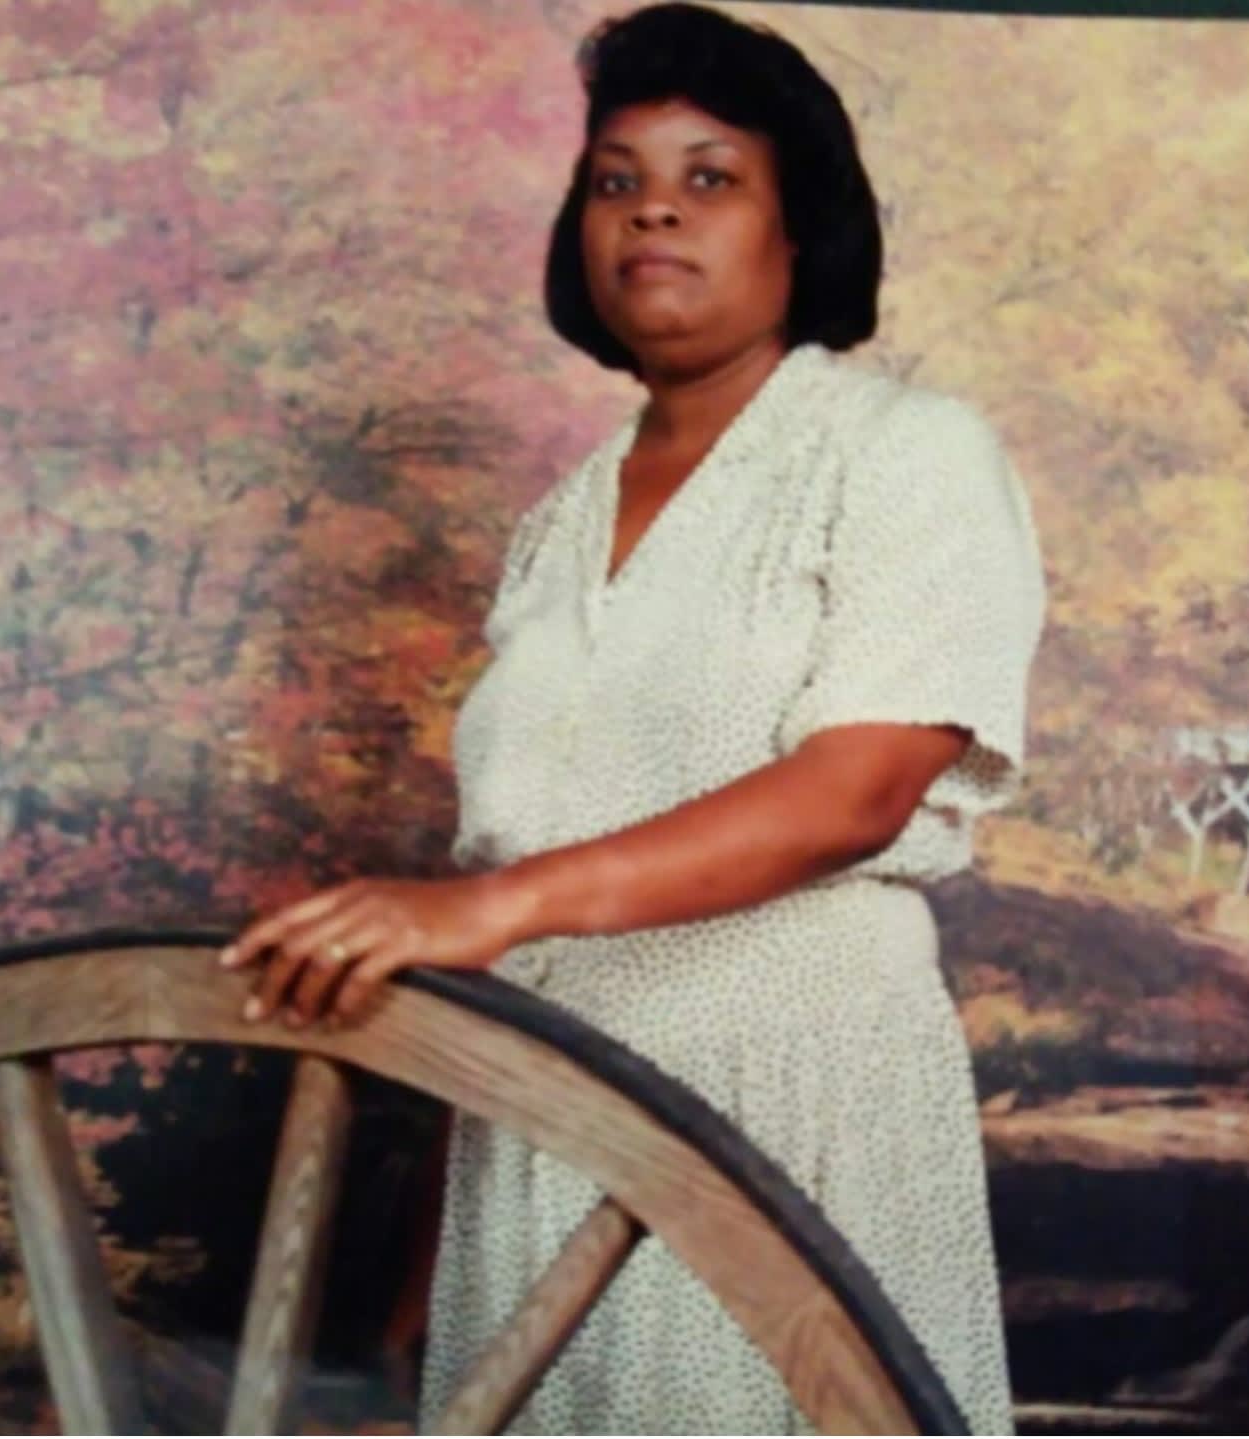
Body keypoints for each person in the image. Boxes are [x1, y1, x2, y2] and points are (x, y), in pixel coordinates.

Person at [219, 3, 1045, 1432]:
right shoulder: (556, 523)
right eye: (615, 178)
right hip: (536, 1103)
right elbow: (496, 900)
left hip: (782, 1094)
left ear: (803, 231)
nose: (652, 203)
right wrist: (419, 1292)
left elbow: (856, 789)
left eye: (710, 174)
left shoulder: (905, 451)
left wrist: (491, 910)